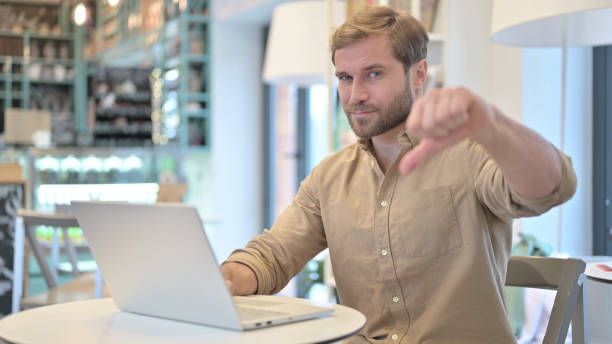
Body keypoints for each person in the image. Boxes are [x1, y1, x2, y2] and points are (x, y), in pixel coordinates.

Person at [221, 6, 577, 343]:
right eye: (345, 78)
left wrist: (492, 125)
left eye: (373, 74)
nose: (355, 95)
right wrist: (226, 279)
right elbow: (273, 255)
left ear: (418, 74)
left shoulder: (471, 153)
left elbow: (552, 187)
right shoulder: (328, 178)